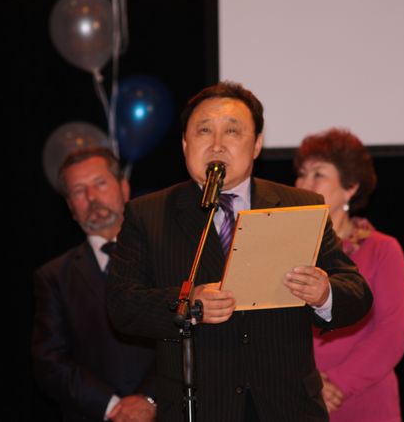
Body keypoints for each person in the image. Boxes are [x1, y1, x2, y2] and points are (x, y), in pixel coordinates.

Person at [105, 81, 373, 422]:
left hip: (288, 408)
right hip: (200, 408)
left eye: (232, 131)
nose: (217, 144)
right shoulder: (149, 214)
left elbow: (357, 293)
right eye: (204, 130)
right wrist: (188, 303)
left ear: (257, 144)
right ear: (185, 143)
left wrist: (324, 294)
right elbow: (122, 304)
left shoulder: (299, 204)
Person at [294, 128, 404, 421]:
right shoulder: (285, 249)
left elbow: (391, 333)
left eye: (318, 174)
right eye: (302, 174)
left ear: (349, 188)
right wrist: (308, 383)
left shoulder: (383, 249)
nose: (304, 184)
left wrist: (336, 383)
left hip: (364, 398)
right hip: (296, 396)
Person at [31, 147, 156, 422]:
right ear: (70, 207)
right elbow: (49, 361)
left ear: (124, 188)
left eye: (100, 183)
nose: (91, 197)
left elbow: (186, 337)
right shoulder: (53, 276)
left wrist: (148, 399)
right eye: (79, 190)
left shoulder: (162, 257)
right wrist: (112, 406)